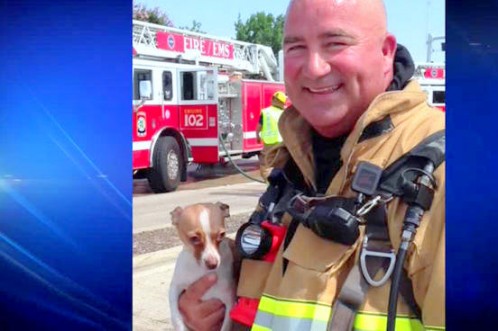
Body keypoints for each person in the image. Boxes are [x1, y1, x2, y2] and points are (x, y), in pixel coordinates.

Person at [178, 0, 445, 330]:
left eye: (335, 43)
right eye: (295, 47)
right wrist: (211, 316)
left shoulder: (443, 176)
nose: (314, 67)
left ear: (386, 52)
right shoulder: (291, 171)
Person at [256, 91, 287, 180]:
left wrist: (257, 136)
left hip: (269, 144)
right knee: (281, 163)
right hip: (282, 143)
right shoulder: (284, 113)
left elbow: (259, 127)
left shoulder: (266, 112)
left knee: (266, 165)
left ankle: (270, 184)